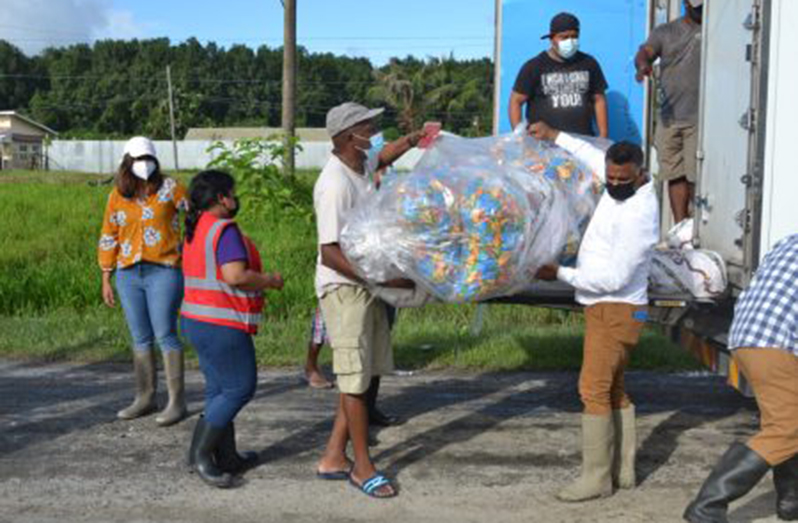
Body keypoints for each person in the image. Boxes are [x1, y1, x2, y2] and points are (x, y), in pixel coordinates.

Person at [531, 121, 659, 502]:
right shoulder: (619, 188)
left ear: (640, 175)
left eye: (622, 178)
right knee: (614, 388)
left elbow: (615, 278)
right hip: (611, 308)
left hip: (614, 307)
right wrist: (556, 136)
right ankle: (623, 471)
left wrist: (560, 273)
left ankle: (596, 478)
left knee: (592, 389)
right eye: (611, 175)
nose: (614, 182)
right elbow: (592, 157)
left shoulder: (638, 214)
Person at [314, 102, 426, 498]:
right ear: (347, 137)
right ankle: (362, 467)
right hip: (346, 290)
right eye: (368, 127)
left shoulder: (360, 162)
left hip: (367, 287)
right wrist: (381, 277)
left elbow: (387, 151)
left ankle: (332, 457)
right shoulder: (334, 184)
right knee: (354, 381)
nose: (375, 132)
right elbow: (329, 252)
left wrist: (415, 139)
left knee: (361, 376)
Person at [181, 170, 284, 488]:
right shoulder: (223, 230)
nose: (234, 198)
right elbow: (236, 276)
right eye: (231, 192)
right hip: (221, 322)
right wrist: (269, 280)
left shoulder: (197, 227)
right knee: (240, 387)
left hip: (196, 319)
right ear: (221, 198)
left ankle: (227, 457)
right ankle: (199, 455)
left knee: (218, 390)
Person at [684, 235, 798, 523]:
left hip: (747, 334)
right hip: (776, 340)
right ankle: (707, 506)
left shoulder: (790, 240)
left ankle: (791, 500)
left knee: (782, 419)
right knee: (789, 427)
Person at [98, 136, 188, 427]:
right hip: (128, 274)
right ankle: (145, 397)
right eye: (137, 160)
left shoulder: (171, 187)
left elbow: (195, 214)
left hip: (164, 269)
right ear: (127, 162)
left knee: (165, 333)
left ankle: (177, 402)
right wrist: (106, 276)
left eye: (147, 159)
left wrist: (192, 248)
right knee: (140, 337)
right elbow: (109, 234)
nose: (143, 165)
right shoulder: (116, 195)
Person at [635, 0, 703, 224]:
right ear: (685, 3)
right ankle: (680, 226)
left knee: (696, 176)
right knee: (674, 175)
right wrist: (643, 65)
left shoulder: (714, 31)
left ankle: (697, 228)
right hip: (670, 118)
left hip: (699, 119)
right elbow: (645, 52)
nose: (700, 9)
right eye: (696, 5)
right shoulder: (665, 32)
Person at [509, 12, 609, 137]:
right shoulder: (534, 66)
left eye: (574, 37)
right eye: (564, 37)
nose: (570, 41)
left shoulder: (589, 64)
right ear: (552, 39)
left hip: (582, 145)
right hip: (543, 145)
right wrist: (521, 140)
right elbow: (516, 101)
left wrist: (603, 137)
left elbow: (599, 100)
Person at [304, 305, 401, 427]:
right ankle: (351, 426)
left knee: (377, 346)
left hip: (380, 295)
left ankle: (369, 410)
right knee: (352, 357)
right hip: (350, 297)